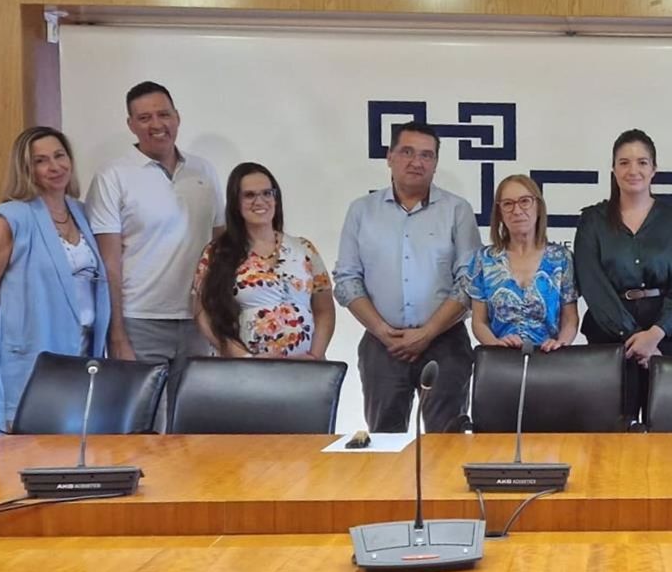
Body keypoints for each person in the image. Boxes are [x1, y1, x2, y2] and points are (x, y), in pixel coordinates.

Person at [86, 81, 222, 427]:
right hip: (138, 320)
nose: (156, 124)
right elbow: (108, 264)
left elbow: (220, 247)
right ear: (131, 125)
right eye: (144, 118)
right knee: (142, 427)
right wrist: (116, 334)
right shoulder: (113, 176)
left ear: (177, 117)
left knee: (191, 425)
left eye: (164, 114)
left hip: (196, 321)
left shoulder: (203, 171)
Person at [333, 122, 479, 433]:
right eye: (407, 152)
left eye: (427, 155)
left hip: (445, 343)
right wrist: (383, 331)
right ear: (389, 156)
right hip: (381, 345)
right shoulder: (362, 211)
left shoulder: (457, 210)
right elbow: (346, 280)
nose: (417, 162)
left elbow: (470, 281)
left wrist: (428, 332)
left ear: (436, 163)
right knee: (385, 444)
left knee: (447, 442)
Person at [0, 127, 110, 427]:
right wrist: (3, 337)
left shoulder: (82, 212)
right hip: (32, 355)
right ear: (26, 170)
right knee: (29, 453)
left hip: (82, 353)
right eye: (41, 161)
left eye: (59, 156)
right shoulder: (11, 218)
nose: (55, 167)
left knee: (78, 448)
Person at [575, 129, 672, 423]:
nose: (634, 170)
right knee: (613, 430)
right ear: (614, 169)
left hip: (667, 335)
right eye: (624, 162)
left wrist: (656, 334)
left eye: (642, 162)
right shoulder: (593, 220)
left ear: (654, 169)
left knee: (670, 431)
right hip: (610, 336)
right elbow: (593, 284)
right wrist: (633, 338)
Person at [192, 163, 335, 360]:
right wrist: (242, 357)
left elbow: (324, 309)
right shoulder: (218, 253)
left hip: (304, 369)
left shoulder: (304, 249)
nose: (260, 201)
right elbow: (203, 312)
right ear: (235, 202)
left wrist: (315, 356)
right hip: (245, 372)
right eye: (249, 195)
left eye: (267, 193)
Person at [466, 174, 578, 351]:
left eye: (524, 201)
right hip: (501, 364)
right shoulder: (484, 259)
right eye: (508, 204)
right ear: (500, 213)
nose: (517, 211)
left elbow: (570, 318)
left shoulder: (561, 259)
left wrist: (560, 343)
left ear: (538, 207)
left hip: (550, 361)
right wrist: (496, 345)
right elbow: (479, 321)